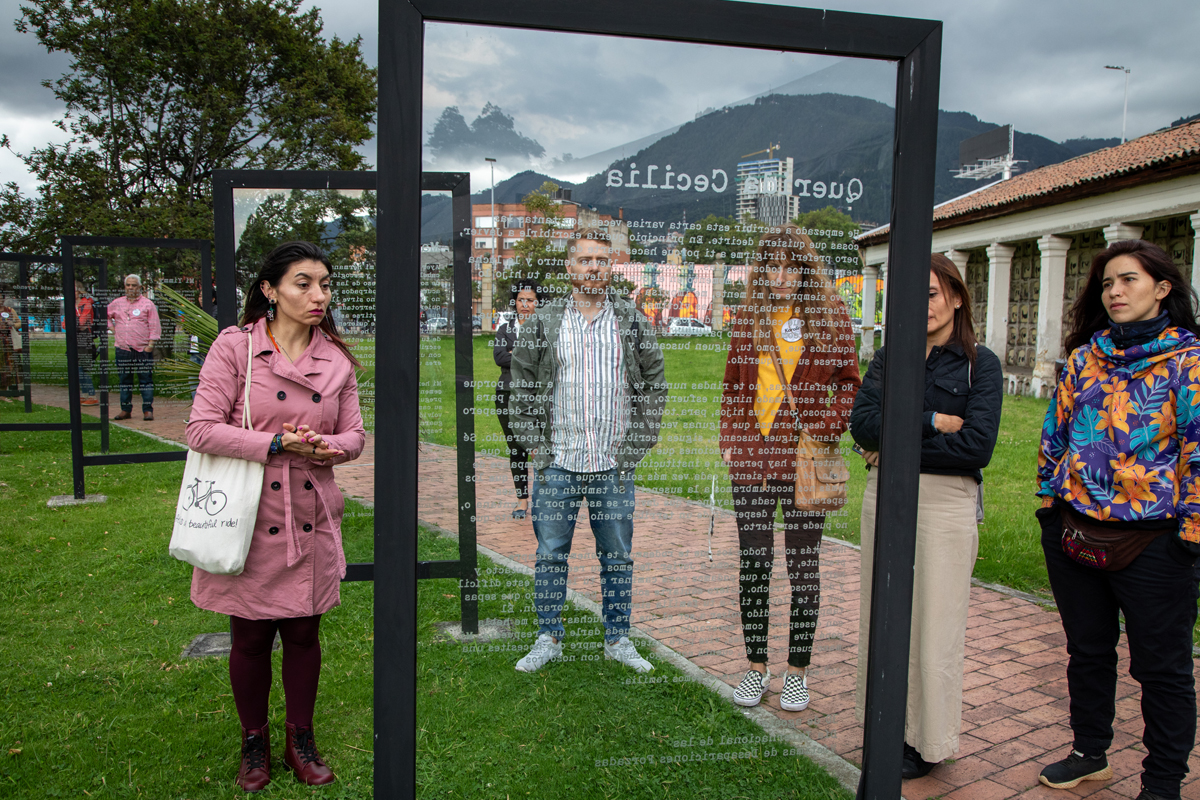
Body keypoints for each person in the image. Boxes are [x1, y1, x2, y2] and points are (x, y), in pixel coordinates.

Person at [186, 241, 365, 792]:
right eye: (303, 283)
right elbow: (200, 429)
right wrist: (275, 443)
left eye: (325, 284)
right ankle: (254, 743)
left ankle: (300, 740)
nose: (318, 295)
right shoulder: (236, 348)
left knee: (305, 633)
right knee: (250, 637)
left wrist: (327, 448)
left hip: (310, 510)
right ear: (270, 289)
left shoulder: (336, 359)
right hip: (250, 511)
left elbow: (355, 436)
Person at [1034, 239, 1200, 800]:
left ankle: (1162, 784)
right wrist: (1048, 505)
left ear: (1162, 288)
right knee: (1087, 651)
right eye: (1107, 283)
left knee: (1162, 669)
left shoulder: (1189, 362)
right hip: (1074, 531)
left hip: (1156, 543)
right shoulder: (1086, 358)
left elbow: (1199, 450)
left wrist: (1191, 535)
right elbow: (1055, 434)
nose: (1115, 291)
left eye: (1129, 280)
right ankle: (1090, 753)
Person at [850, 253, 1003, 779]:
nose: (921, 304)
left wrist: (893, 446)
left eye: (932, 293)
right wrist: (933, 420)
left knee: (935, 625)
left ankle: (926, 742)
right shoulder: (889, 359)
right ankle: (883, 726)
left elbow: (976, 447)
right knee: (881, 614)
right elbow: (862, 424)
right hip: (884, 498)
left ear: (956, 297)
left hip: (944, 504)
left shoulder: (981, 364)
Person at [509, 227, 666, 673]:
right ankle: (548, 637)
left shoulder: (631, 320)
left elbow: (654, 385)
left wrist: (634, 447)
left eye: (601, 260)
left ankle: (617, 639)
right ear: (569, 266)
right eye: (585, 260)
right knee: (550, 555)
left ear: (610, 266)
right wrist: (539, 450)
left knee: (617, 557)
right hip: (559, 460)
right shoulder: (545, 322)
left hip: (612, 464)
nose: (593, 267)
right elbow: (520, 389)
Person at [718, 225, 861, 711]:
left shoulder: (830, 315)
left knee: (803, 565)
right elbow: (732, 387)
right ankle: (756, 667)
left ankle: (797, 672)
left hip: (803, 459)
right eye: (771, 267)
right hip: (752, 461)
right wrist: (731, 440)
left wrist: (823, 428)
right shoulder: (749, 317)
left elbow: (850, 384)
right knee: (754, 563)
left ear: (805, 270)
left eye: (790, 267)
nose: (780, 277)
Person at [493, 280, 541, 520]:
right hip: (507, 393)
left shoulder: (544, 328)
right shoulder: (505, 329)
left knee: (540, 446)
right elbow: (499, 357)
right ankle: (522, 500)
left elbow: (545, 359)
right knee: (516, 448)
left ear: (538, 303)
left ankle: (544, 498)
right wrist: (526, 355)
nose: (525, 304)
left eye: (530, 300)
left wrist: (515, 353)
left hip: (538, 395)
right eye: (521, 300)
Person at [106, 273, 160, 420]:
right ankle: (125, 410)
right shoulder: (117, 303)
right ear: (125, 286)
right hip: (123, 349)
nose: (130, 287)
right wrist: (113, 329)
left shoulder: (147, 304)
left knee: (145, 381)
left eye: (134, 285)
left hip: (142, 349)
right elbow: (105, 316)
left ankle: (147, 410)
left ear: (140, 287)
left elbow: (155, 325)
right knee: (124, 381)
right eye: (128, 285)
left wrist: (150, 345)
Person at [74, 279, 98, 406]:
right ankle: (84, 394)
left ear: (79, 290)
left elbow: (82, 323)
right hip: (74, 338)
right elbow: (64, 324)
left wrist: (75, 324)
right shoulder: (72, 305)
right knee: (77, 368)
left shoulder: (86, 304)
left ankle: (92, 395)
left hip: (84, 339)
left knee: (83, 368)